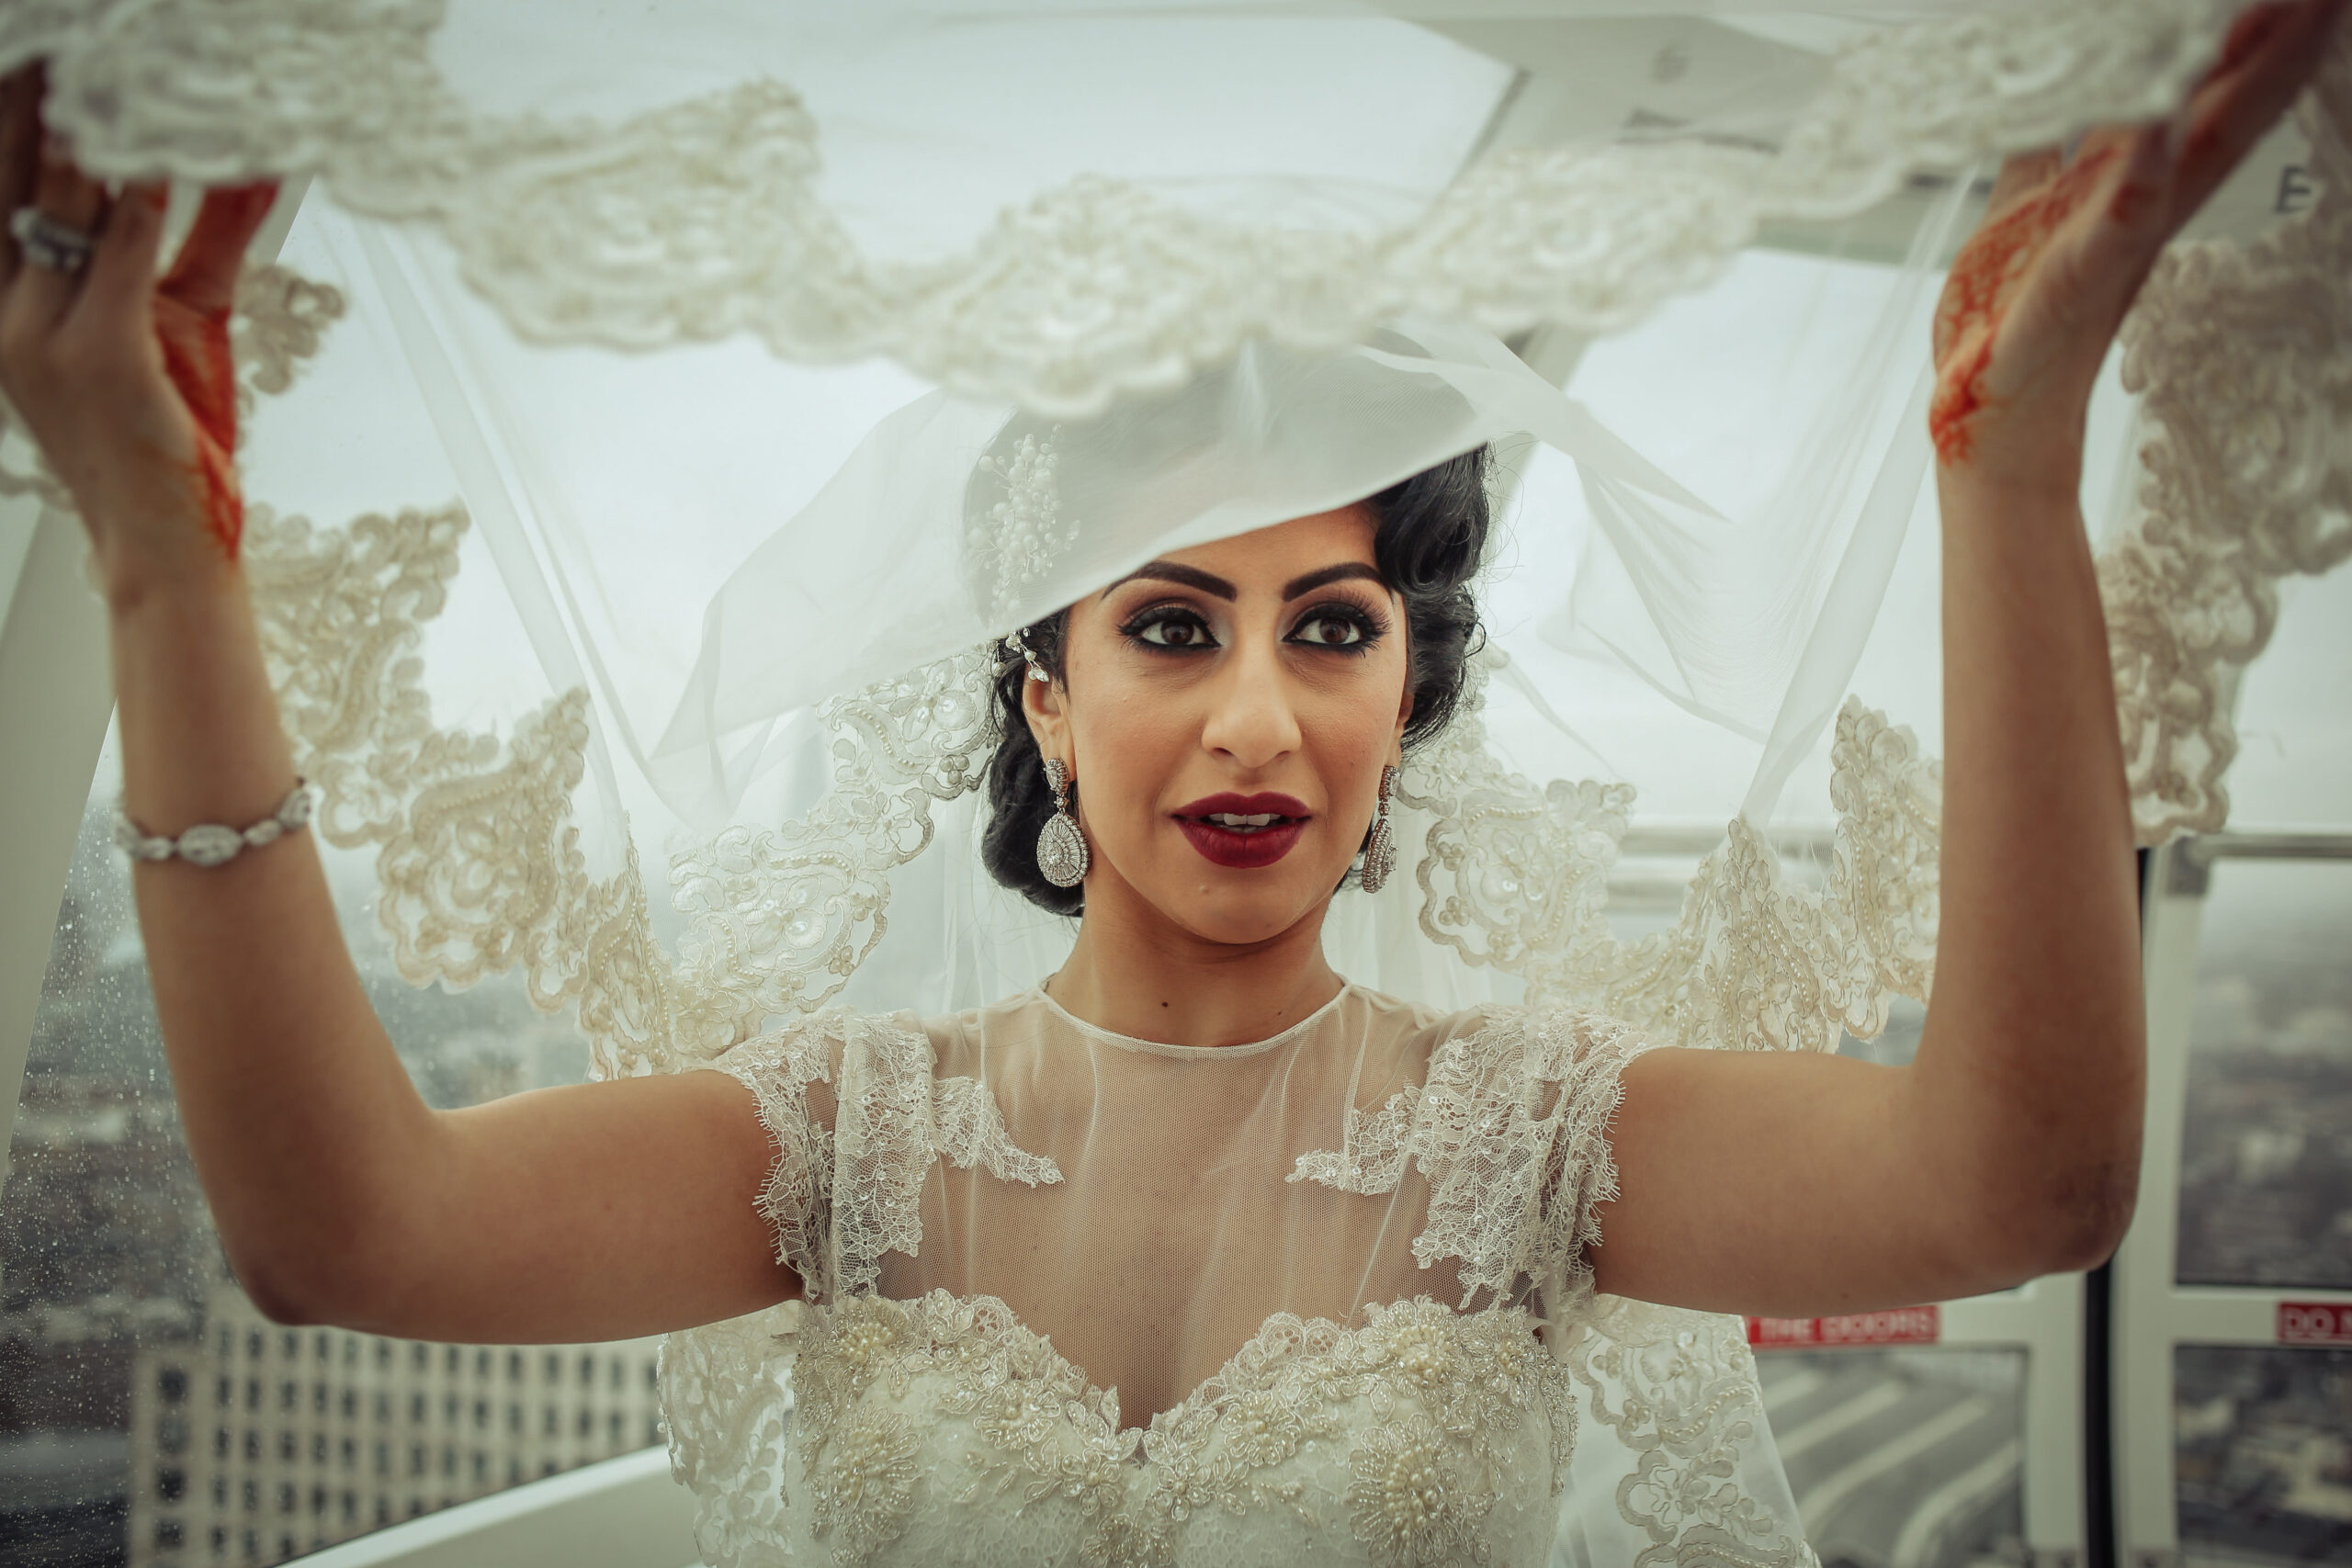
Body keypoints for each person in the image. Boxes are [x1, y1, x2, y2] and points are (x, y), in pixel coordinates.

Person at [0, 4, 2339, 1563]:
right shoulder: (840, 1134)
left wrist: (2005, 465)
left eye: (1330, 628)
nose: (1254, 718)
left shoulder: (1535, 1131)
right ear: (1040, 697)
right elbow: (342, 1234)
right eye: (1166, 625)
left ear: (1405, 690)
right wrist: (150, 553)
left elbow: (2019, 1183)